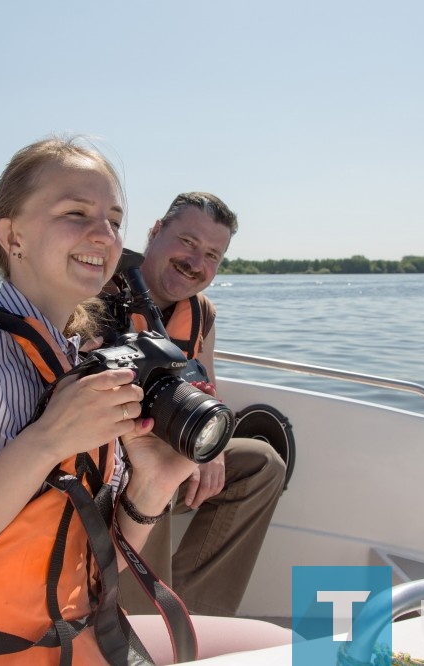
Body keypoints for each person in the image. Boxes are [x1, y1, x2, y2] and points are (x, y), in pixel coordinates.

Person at [0, 138, 290, 665]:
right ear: (12, 236)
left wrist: (151, 486)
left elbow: (88, 568)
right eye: (75, 212)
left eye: (112, 218)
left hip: (71, 632)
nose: (102, 234)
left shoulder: (72, 358)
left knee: (288, 645)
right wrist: (47, 441)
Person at [107, 192, 287, 618]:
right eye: (187, 242)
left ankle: (195, 617)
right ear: (155, 232)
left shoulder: (201, 312)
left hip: (166, 446)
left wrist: (214, 447)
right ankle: (140, 626)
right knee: (160, 468)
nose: (196, 262)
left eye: (212, 254)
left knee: (263, 466)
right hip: (109, 462)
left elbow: (205, 385)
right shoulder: (97, 291)